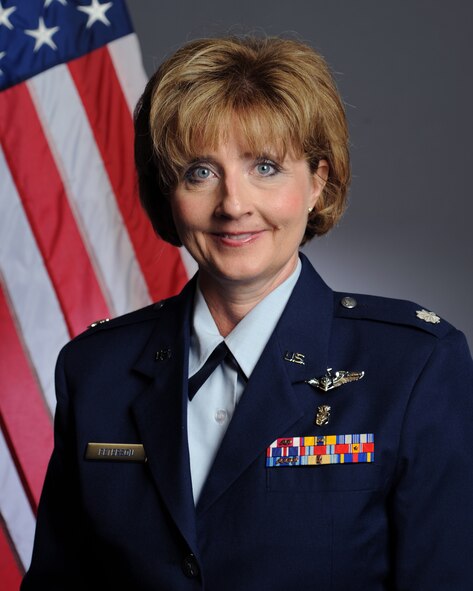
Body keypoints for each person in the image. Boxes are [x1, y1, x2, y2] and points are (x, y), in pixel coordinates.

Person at [22, 36, 473, 591]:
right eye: (200, 173)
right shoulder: (96, 371)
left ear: (317, 184)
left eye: (265, 166)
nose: (233, 204)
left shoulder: (412, 368)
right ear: (169, 193)